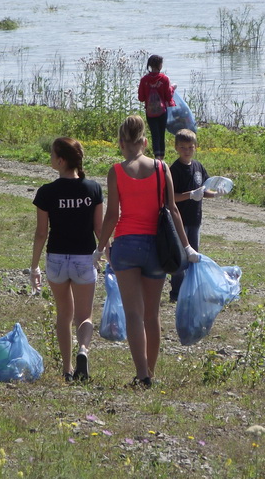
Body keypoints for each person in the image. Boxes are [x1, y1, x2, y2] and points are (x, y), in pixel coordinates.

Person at [94, 115, 199, 387]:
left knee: (133, 314)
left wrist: (98, 248)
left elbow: (112, 215)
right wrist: (187, 246)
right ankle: (150, 372)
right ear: (143, 141)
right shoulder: (162, 167)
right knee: (152, 315)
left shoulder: (116, 171)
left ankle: (141, 375)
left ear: (121, 143)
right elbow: (173, 209)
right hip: (156, 247)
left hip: (126, 247)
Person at [29, 137, 103, 383]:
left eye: (52, 155)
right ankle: (83, 349)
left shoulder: (46, 192)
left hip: (57, 259)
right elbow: (99, 228)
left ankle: (67, 369)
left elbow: (41, 233)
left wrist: (34, 266)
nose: (50, 158)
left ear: (60, 161)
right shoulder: (93, 189)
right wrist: (104, 254)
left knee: (64, 314)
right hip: (84, 259)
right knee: (85, 317)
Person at [168, 128, 218, 302]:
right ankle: (176, 293)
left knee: (194, 255)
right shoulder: (174, 169)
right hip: (180, 221)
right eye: (183, 147)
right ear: (176, 148)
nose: (187, 151)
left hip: (195, 220)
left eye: (190, 147)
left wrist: (215, 193)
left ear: (195, 147)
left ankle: (191, 290)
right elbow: (171, 197)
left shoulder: (198, 167)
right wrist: (189, 195)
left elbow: (205, 189)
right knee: (181, 257)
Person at [137, 54, 175, 161]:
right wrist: (172, 88)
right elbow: (168, 96)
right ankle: (161, 157)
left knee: (154, 134)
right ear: (159, 65)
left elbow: (141, 98)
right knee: (161, 133)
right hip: (162, 112)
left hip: (150, 112)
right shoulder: (164, 79)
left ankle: (156, 156)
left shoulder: (144, 80)